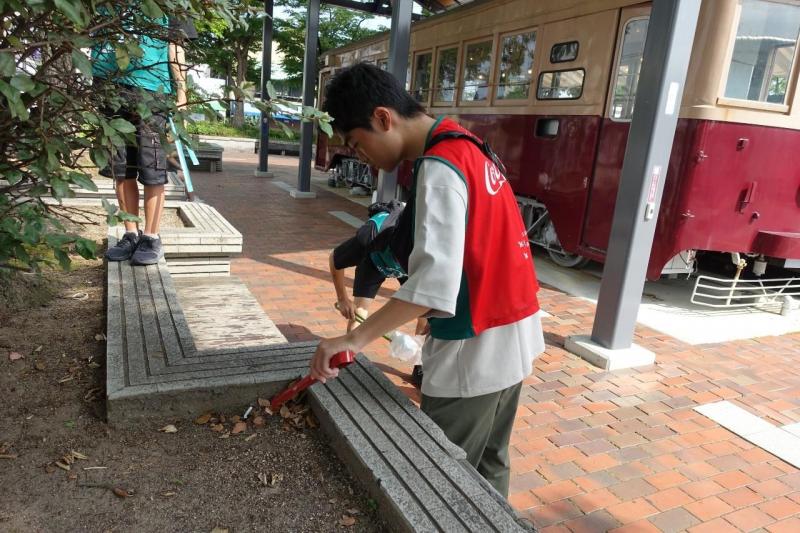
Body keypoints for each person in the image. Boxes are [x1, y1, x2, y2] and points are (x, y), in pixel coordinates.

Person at [310, 63, 545, 499]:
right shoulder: (467, 144)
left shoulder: (439, 167)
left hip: (473, 346)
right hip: (515, 330)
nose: (359, 156)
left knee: (437, 484)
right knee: (490, 465)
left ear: (383, 118)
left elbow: (435, 281)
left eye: (358, 143)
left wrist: (354, 339)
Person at [92, 14, 196, 265]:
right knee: (121, 168)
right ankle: (130, 233)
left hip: (151, 91)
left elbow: (176, 45)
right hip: (108, 88)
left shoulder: (168, 7)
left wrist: (181, 92)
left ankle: (151, 237)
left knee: (152, 167)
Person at [329, 199, 425, 386]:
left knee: (424, 315)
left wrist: (418, 345)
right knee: (357, 315)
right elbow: (334, 259)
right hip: (374, 264)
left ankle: (419, 364)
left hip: (408, 268)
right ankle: (349, 361)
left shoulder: (424, 248)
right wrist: (342, 299)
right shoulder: (369, 238)